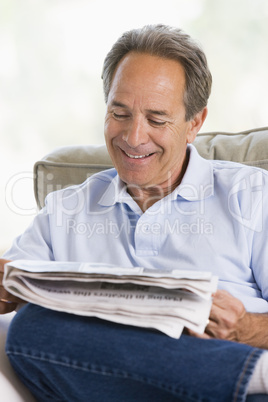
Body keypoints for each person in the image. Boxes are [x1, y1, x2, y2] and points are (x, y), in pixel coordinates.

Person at [0, 24, 268, 401]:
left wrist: (248, 328)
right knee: (31, 330)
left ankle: (245, 373)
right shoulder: (65, 209)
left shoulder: (253, 195)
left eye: (157, 119)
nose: (133, 136)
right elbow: (14, 280)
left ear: (195, 123)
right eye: (119, 112)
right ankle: (248, 373)